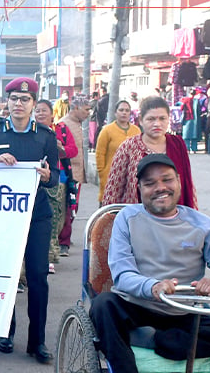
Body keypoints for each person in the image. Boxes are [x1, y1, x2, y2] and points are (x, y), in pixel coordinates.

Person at [89, 154, 210, 373]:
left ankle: (154, 340)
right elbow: (122, 275)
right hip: (137, 306)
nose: (160, 187)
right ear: (141, 190)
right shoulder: (127, 218)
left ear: (178, 182)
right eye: (150, 183)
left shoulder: (202, 224)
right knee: (102, 305)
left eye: (166, 180)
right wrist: (153, 286)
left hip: (183, 311)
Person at [0, 77, 59, 364]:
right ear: (6, 103)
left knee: (38, 278)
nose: (19, 104)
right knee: (6, 274)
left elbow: (56, 177)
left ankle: (38, 341)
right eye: (13, 99)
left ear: (34, 104)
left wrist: (47, 177)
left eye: (25, 100)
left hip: (36, 216)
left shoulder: (45, 135)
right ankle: (5, 331)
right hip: (3, 217)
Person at [102, 96, 198, 210]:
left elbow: (187, 182)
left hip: (174, 216)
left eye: (162, 118)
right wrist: (110, 219)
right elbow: (113, 190)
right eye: (151, 119)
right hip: (138, 217)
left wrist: (192, 215)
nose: (157, 124)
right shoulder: (128, 147)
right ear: (141, 120)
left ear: (169, 119)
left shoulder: (177, 144)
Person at [33, 98, 76, 270]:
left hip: (58, 179)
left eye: (44, 110)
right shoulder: (30, 132)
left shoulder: (61, 130)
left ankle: (50, 255)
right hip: (34, 180)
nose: (40, 113)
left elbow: (73, 150)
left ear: (52, 114)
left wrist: (60, 148)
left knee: (56, 218)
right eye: (37, 110)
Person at [57, 94, 92, 257]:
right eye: (86, 109)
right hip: (68, 174)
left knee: (73, 208)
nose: (88, 113)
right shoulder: (64, 125)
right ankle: (63, 241)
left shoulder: (78, 124)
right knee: (67, 208)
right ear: (76, 108)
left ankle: (64, 239)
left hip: (78, 173)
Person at [95, 100, 141, 204]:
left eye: (127, 110)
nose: (124, 113)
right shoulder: (107, 130)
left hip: (131, 177)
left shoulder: (136, 131)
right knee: (108, 211)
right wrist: (102, 173)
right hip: (110, 176)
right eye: (121, 110)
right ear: (115, 113)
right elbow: (99, 154)